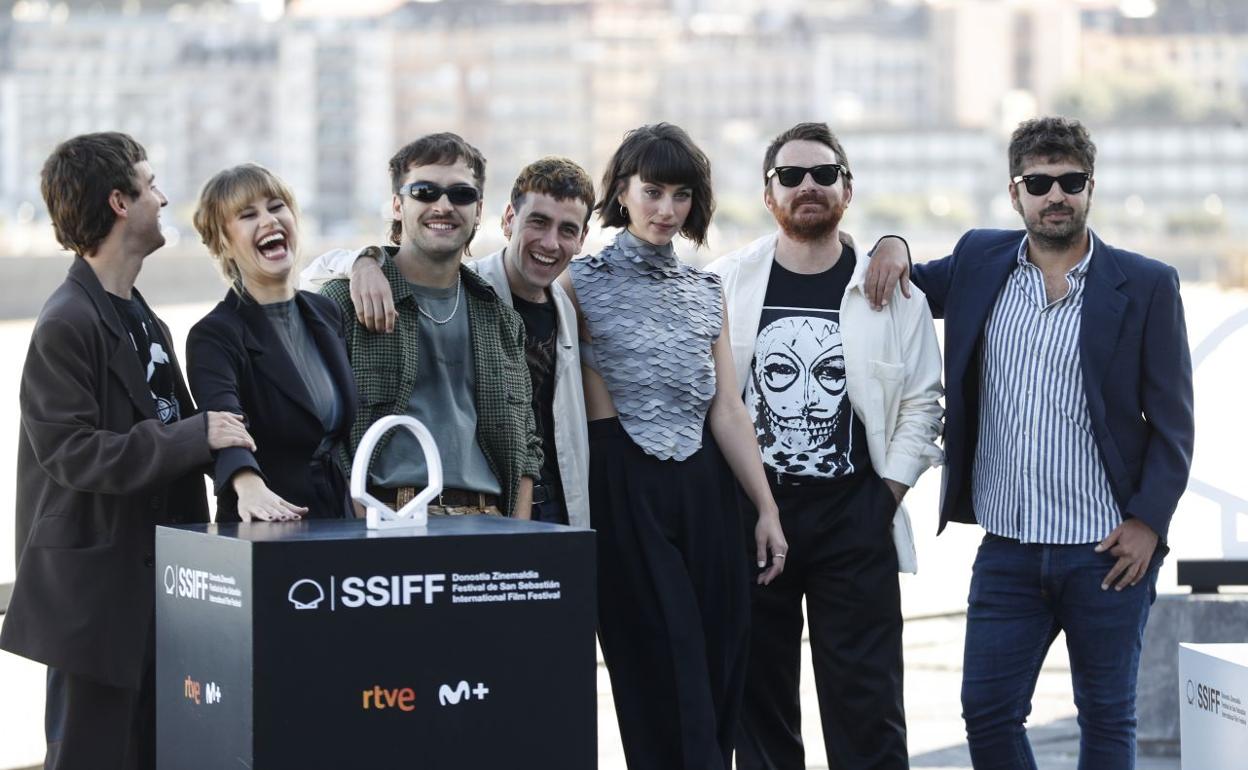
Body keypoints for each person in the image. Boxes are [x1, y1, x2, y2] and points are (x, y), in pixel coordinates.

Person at [865, 116, 1194, 769]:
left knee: (1106, 719)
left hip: (1106, 552)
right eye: (1038, 182)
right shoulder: (980, 261)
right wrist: (892, 241)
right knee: (987, 715)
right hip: (1008, 552)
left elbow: (1174, 422)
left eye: (1070, 181)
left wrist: (1148, 523)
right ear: (1015, 192)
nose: (1055, 195)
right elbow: (905, 279)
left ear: (1090, 188)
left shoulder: (1147, 284)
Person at [0, 133, 255, 770]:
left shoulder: (145, 317)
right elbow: (75, 453)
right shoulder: (66, 322)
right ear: (119, 202)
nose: (164, 196)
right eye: (150, 184)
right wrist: (201, 434)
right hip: (96, 612)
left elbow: (185, 433)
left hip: (158, 596)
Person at [708, 122, 943, 769]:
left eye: (823, 174)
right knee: (758, 709)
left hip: (855, 518)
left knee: (867, 709)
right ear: (767, 194)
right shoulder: (727, 282)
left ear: (847, 188)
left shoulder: (893, 292)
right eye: (791, 175)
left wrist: (884, 498)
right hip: (756, 518)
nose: (807, 186)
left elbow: (925, 403)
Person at [559, 123, 787, 770]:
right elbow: (488, 278)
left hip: (710, 490)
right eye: (652, 191)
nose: (666, 209)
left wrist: (765, 510)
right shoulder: (577, 281)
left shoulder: (706, 289)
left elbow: (729, 410)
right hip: (622, 485)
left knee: (721, 660)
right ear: (622, 193)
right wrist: (367, 262)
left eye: (681, 194)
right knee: (661, 663)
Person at [302, 156, 595, 526]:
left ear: (582, 239)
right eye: (538, 222)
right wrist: (363, 262)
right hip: (423, 507)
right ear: (507, 219)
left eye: (567, 230)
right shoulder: (461, 290)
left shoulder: (566, 309)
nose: (550, 242)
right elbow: (311, 284)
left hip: (536, 504)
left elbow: (533, 436)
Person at [187, 164, 356, 522]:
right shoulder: (214, 334)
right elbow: (223, 422)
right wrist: (246, 482)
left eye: (277, 207)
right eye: (248, 215)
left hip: (337, 521)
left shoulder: (327, 312)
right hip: (263, 523)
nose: (268, 221)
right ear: (223, 244)